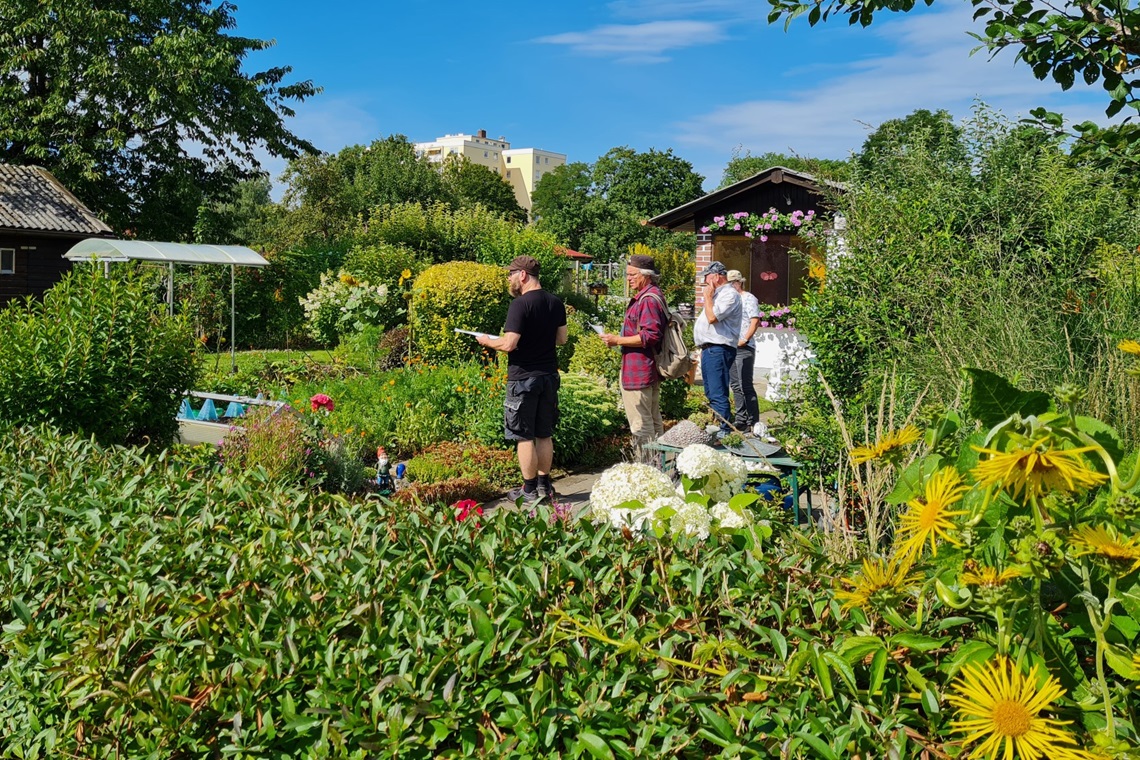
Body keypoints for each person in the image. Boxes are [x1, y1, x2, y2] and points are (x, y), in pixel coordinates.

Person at [477, 255, 567, 503]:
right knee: (544, 433)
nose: (509, 279)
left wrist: (486, 341)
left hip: (523, 379)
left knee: (524, 436)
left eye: (511, 274)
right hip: (548, 376)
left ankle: (528, 491)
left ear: (523, 275)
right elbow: (562, 339)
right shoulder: (555, 302)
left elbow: (509, 344)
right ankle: (545, 487)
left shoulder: (520, 304)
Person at [601, 253, 668, 451]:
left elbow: (650, 335)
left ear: (645, 275)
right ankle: (659, 466)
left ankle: (647, 467)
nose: (628, 278)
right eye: (627, 274)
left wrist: (617, 340)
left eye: (632, 275)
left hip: (638, 370)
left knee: (641, 424)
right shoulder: (652, 295)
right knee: (653, 420)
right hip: (646, 368)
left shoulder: (648, 299)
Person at [693, 260, 741, 435]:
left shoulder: (729, 295)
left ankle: (725, 430)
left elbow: (713, 317)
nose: (704, 280)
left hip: (719, 348)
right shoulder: (717, 294)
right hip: (710, 349)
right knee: (711, 390)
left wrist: (707, 297)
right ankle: (719, 425)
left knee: (717, 389)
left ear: (716, 276)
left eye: (707, 276)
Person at [726, 269, 761, 432]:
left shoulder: (749, 299)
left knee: (744, 384)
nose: (730, 286)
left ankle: (753, 421)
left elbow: (754, 321)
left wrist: (744, 339)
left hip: (744, 347)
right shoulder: (730, 300)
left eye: (732, 283)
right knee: (735, 385)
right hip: (732, 346)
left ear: (739, 283)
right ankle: (740, 420)